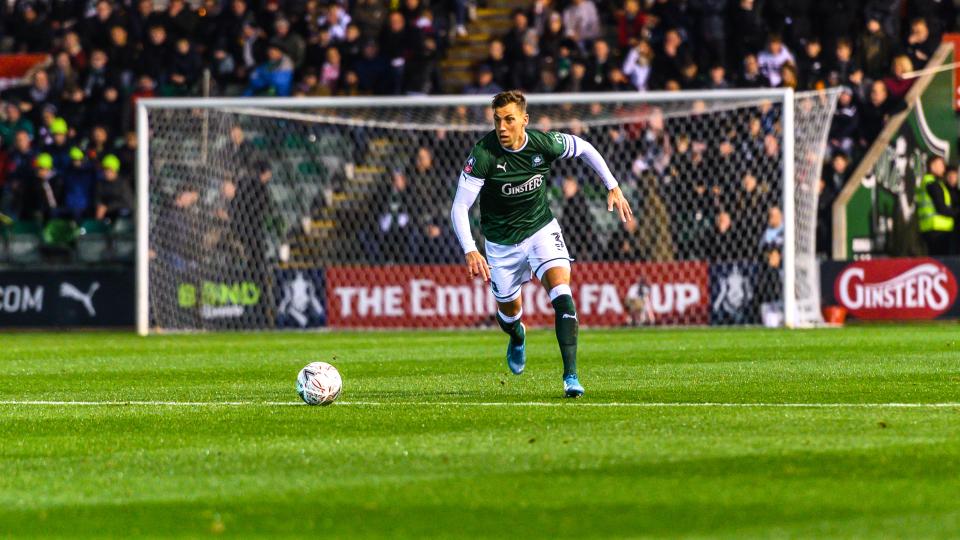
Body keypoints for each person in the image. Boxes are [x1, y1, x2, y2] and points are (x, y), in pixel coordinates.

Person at [449, 90, 633, 398]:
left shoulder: (543, 144)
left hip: (540, 231)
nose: (502, 127)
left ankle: (571, 377)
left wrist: (612, 185)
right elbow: (459, 206)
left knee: (562, 294)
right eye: (497, 120)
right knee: (509, 316)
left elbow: (584, 147)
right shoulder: (483, 154)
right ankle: (517, 335)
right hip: (501, 245)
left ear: (525, 120)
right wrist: (470, 248)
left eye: (509, 120)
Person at [916, 156, 956, 256]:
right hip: (938, 230)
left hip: (932, 229)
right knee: (941, 260)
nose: (944, 168)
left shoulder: (929, 182)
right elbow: (941, 208)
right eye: (941, 164)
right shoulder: (932, 184)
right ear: (933, 166)